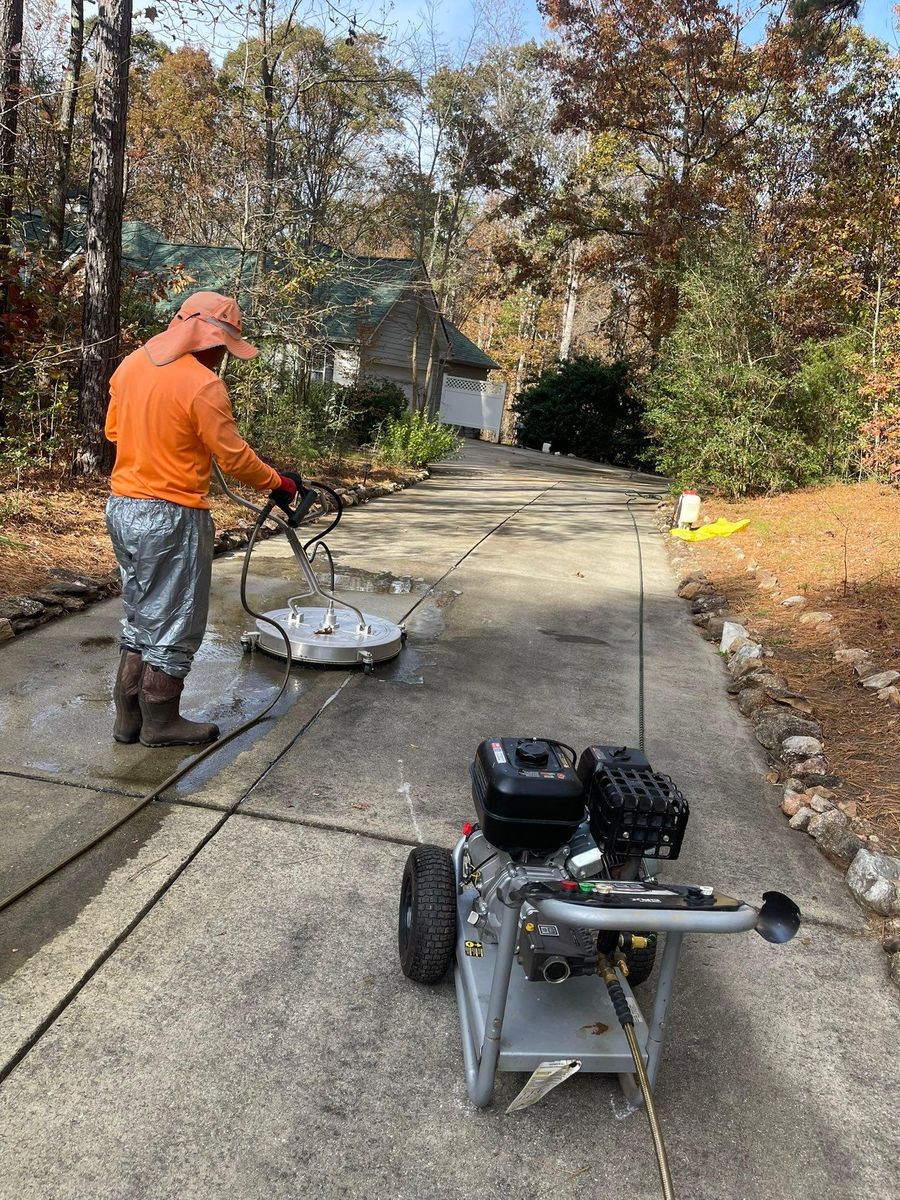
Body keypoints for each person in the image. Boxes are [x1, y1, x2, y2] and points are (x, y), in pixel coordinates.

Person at [104, 290, 306, 748]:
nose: (222, 358)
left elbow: (114, 431)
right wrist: (280, 483)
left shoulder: (131, 365)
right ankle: (161, 721)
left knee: (140, 616)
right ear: (209, 340)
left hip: (123, 509)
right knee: (175, 620)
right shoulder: (202, 384)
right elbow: (234, 459)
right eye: (223, 348)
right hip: (172, 515)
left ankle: (128, 718)